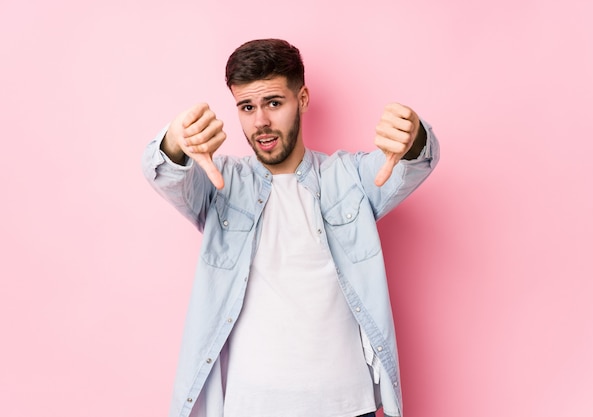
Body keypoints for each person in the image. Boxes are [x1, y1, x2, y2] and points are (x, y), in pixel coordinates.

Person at [142, 38, 440, 417]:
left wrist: (412, 136)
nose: (260, 121)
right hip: (251, 407)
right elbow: (166, 173)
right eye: (247, 107)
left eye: (274, 103)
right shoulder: (222, 184)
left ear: (302, 99)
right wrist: (175, 141)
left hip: (348, 407)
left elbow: (414, 163)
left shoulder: (346, 179)